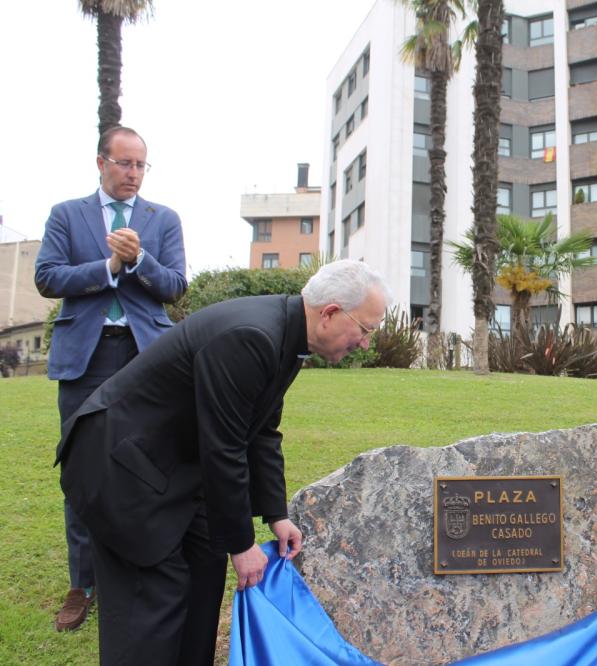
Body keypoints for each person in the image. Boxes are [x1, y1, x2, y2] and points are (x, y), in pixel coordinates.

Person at [54, 260, 391, 666]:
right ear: (331, 313)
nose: (366, 343)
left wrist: (275, 513)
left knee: (203, 586)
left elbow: (262, 430)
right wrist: (242, 544)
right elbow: (224, 445)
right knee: (151, 611)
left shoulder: (287, 336)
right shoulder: (252, 336)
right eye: (366, 329)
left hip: (175, 467)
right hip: (122, 468)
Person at [35, 126, 187, 632]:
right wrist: (108, 265)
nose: (133, 173)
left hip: (147, 357)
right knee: (82, 466)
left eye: (141, 165)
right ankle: (83, 585)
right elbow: (48, 277)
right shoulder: (67, 214)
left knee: (148, 463)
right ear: (101, 163)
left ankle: (142, 568)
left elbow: (174, 286)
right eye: (124, 163)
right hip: (86, 355)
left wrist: (141, 261)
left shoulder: (163, 220)